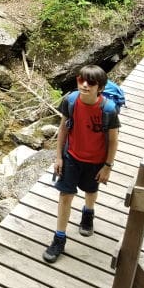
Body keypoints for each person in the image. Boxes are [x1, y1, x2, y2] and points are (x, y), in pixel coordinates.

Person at [43, 65, 120, 264]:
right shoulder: (70, 101)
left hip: (96, 161)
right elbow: (63, 130)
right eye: (81, 80)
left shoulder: (108, 110)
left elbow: (113, 140)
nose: (85, 85)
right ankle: (59, 238)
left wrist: (107, 166)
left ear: (100, 88)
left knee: (90, 190)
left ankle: (88, 212)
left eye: (91, 82)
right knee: (65, 195)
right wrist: (58, 156)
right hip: (71, 157)